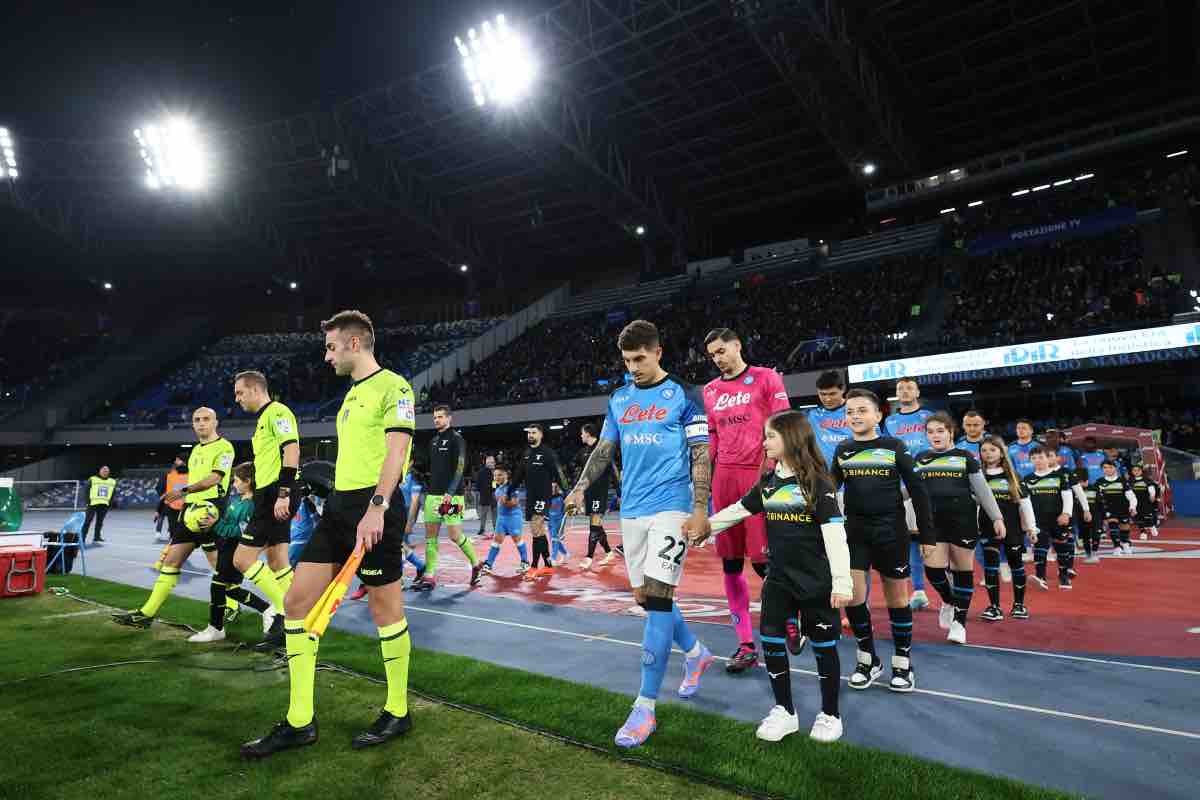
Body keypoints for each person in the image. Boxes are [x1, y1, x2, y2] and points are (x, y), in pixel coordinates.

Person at [242, 309, 417, 757]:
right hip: (340, 509)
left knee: (385, 609)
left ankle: (398, 710)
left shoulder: (393, 387)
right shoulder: (351, 394)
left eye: (331, 346)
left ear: (355, 344)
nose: (326, 356)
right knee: (297, 603)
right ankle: (300, 721)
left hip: (374, 508)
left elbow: (396, 453)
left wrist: (377, 507)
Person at [566, 319, 714, 749]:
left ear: (658, 352)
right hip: (631, 509)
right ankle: (696, 653)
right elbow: (604, 449)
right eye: (628, 360)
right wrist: (579, 487)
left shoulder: (686, 396)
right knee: (646, 598)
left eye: (640, 359)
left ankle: (645, 706)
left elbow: (701, 453)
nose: (633, 367)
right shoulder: (619, 398)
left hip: (672, 507)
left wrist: (700, 508)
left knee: (659, 598)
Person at [690, 410, 851, 743]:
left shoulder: (818, 484)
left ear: (791, 439)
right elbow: (738, 511)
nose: (764, 442)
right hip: (778, 579)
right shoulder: (768, 482)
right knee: (773, 642)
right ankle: (785, 712)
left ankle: (830, 714)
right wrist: (704, 529)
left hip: (816, 582)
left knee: (824, 647)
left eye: (770, 436)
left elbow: (836, 536)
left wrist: (842, 582)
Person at [702, 328, 792, 672]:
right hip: (723, 478)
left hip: (759, 474)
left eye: (722, 350)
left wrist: (773, 467)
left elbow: (783, 424)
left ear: (738, 345)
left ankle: (787, 618)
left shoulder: (766, 378)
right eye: (712, 355)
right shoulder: (710, 390)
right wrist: (701, 470)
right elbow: (712, 434)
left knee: (763, 559)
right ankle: (744, 644)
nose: (718, 358)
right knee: (730, 561)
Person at [831, 389, 933, 693]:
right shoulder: (843, 450)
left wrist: (927, 535)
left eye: (862, 410)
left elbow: (918, 491)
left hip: (891, 533)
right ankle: (868, 660)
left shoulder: (894, 446)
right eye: (850, 412)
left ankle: (903, 663)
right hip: (856, 533)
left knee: (896, 600)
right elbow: (828, 491)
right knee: (854, 596)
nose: (855, 416)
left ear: (878, 416)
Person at [113, 407, 237, 629]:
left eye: (206, 419)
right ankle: (146, 614)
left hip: (212, 511)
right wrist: (185, 504)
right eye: (196, 420)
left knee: (220, 565)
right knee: (171, 560)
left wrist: (184, 491)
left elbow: (215, 478)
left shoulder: (225, 447)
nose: (201, 423)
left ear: (216, 422)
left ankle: (238, 606)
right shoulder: (196, 450)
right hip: (190, 511)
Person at [912, 413, 1005, 645]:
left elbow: (983, 491)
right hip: (932, 523)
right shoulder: (921, 458)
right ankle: (949, 600)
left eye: (940, 431)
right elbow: (910, 489)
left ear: (951, 432)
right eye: (931, 431)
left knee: (963, 571)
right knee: (933, 571)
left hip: (962, 521)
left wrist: (997, 517)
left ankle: (959, 624)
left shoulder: (965, 457)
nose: (935, 435)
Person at [231, 372, 301, 649]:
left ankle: (287, 610)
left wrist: (283, 493)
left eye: (239, 393)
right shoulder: (263, 419)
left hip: (277, 493)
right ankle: (293, 622)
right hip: (268, 494)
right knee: (278, 562)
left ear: (255, 389)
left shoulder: (277, 412)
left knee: (242, 560)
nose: (236, 399)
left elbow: (292, 450)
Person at [189, 461, 274, 643]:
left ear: (248, 481)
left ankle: (216, 628)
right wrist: (215, 521)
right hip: (225, 547)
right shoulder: (237, 500)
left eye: (236, 481)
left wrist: (216, 524)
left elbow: (241, 533)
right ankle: (266, 609)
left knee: (218, 586)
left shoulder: (251, 505)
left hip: (236, 550)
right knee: (230, 589)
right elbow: (228, 522)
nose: (234, 484)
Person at [412, 405, 481, 590]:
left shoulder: (457, 439)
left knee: (454, 535)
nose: (437, 420)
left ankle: (476, 563)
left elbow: (460, 468)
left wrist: (450, 492)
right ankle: (430, 575)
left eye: (440, 417)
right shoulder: (433, 441)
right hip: (433, 498)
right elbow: (429, 468)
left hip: (452, 497)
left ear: (449, 418)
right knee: (430, 537)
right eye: (435, 417)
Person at [883, 377, 934, 613]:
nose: (904, 391)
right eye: (900, 388)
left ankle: (950, 589)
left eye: (909, 387)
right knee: (910, 538)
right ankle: (919, 590)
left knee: (938, 537)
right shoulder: (890, 421)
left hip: (929, 482)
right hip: (901, 485)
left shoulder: (929, 416)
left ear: (917, 391)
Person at [978, 436, 1037, 620]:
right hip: (987, 528)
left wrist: (1031, 528)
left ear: (1002, 453)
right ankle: (994, 607)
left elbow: (1025, 504)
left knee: (1016, 565)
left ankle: (1019, 605)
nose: (988, 454)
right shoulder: (977, 476)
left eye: (993, 450)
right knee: (990, 567)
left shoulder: (1013, 476)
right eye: (984, 450)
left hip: (1012, 528)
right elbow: (973, 505)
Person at [509, 423, 570, 578]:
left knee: (536, 528)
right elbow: (519, 474)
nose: (530, 435)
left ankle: (534, 566)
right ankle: (548, 564)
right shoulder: (527, 453)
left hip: (543, 496)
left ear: (541, 435)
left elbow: (559, 474)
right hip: (531, 497)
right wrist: (510, 490)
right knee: (538, 531)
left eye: (534, 433)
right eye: (529, 433)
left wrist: (567, 493)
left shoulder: (548, 453)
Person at [1023, 446, 1080, 590]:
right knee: (1040, 547)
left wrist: (1066, 513)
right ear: (1030, 460)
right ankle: (1040, 578)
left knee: (1062, 547)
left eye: (1041, 457)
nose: (1038, 461)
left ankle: (1063, 576)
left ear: (1047, 459)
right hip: (1038, 521)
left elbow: (1067, 496)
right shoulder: (1027, 479)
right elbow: (1025, 502)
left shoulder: (1059, 476)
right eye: (1034, 458)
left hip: (1058, 519)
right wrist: (1028, 522)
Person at [577, 423, 619, 570]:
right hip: (589, 492)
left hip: (600, 492)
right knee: (596, 526)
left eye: (582, 433)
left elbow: (613, 472)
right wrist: (580, 493)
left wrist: (619, 492)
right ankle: (608, 552)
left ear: (588, 433)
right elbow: (583, 476)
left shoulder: (602, 449)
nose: (581, 435)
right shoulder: (583, 452)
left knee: (593, 526)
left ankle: (589, 557)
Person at [482, 465, 531, 577]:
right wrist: (502, 501)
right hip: (502, 518)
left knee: (517, 539)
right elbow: (500, 501)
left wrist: (505, 502)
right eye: (495, 475)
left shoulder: (512, 487)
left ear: (506, 475)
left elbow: (515, 502)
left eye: (499, 475)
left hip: (513, 517)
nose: (497, 477)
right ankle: (488, 564)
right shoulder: (498, 489)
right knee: (496, 540)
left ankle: (525, 562)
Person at [805, 369, 852, 468]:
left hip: (855, 473)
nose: (827, 399)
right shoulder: (813, 416)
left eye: (832, 394)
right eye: (823, 394)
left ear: (843, 389)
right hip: (825, 477)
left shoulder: (856, 411)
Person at [1095, 460, 1138, 556]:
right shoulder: (1099, 482)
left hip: (1123, 508)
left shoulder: (1123, 481)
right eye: (1105, 468)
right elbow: (1096, 498)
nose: (1107, 470)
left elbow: (1131, 496)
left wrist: (1133, 507)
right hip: (1109, 509)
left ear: (1115, 468)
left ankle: (1125, 543)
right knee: (1113, 525)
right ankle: (1117, 546)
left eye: (1110, 467)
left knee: (1124, 526)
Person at [81, 466, 117, 543]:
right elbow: (86, 490)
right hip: (92, 504)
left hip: (104, 505)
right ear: (100, 471)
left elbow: (113, 493)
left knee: (100, 522)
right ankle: (82, 538)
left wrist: (109, 503)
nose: (105, 472)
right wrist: (88, 501)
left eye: (106, 471)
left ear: (109, 472)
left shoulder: (112, 481)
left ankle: (97, 537)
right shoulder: (93, 479)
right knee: (87, 521)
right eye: (103, 470)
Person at [1129, 463, 1160, 540]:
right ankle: (1143, 532)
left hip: (1146, 501)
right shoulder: (1130, 481)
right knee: (1138, 518)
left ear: (1141, 471)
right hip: (1135, 502)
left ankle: (1152, 526)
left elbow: (1152, 488)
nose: (1136, 472)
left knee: (1147, 517)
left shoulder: (1146, 480)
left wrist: (1152, 496)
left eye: (1138, 470)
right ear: (1132, 471)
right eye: (1134, 470)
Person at [475, 455, 496, 539]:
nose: (493, 463)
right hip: (486, 495)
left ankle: (495, 529)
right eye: (492, 462)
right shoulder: (482, 472)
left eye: (493, 462)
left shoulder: (494, 472)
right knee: (484, 514)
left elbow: (495, 483)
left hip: (492, 495)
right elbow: (478, 485)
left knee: (495, 514)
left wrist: (495, 490)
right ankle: (482, 529)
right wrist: (484, 491)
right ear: (487, 463)